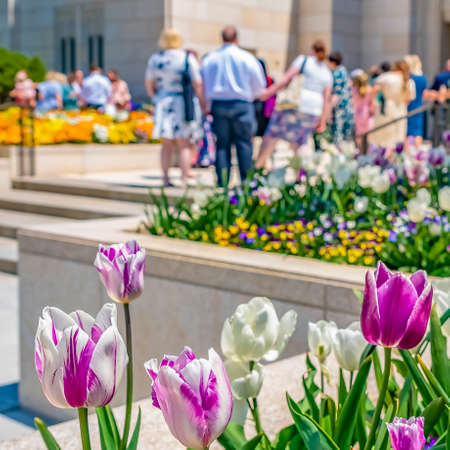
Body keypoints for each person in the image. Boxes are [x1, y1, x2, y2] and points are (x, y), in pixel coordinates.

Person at [201, 25, 265, 186]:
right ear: (237, 38)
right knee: (244, 143)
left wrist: (206, 105)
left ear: (222, 38)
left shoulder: (211, 59)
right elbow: (259, 84)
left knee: (222, 144)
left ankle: (222, 183)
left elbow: (204, 85)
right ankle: (246, 183)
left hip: (219, 105)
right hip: (242, 104)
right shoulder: (246, 57)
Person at [255, 40, 333, 169]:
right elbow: (327, 99)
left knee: (272, 135)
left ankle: (257, 169)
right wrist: (323, 121)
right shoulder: (327, 72)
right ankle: (301, 176)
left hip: (295, 104)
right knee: (301, 142)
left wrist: (268, 92)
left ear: (312, 50)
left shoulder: (303, 61)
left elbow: (286, 79)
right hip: (313, 110)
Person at [145, 29, 204, 187]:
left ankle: (165, 177)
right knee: (184, 143)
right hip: (181, 101)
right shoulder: (186, 57)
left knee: (166, 144)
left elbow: (149, 84)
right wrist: (203, 102)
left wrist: (156, 98)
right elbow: (197, 83)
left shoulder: (155, 59)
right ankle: (185, 176)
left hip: (163, 101)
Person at [371, 60, 415, 148]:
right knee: (397, 137)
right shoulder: (409, 81)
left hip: (387, 108)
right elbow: (408, 101)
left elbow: (374, 89)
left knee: (384, 137)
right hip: (401, 110)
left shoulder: (387, 77)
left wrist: (373, 102)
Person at [328, 51, 354, 144]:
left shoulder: (337, 73)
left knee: (338, 135)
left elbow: (336, 93)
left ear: (332, 62)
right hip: (347, 107)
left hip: (340, 108)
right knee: (346, 136)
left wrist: (328, 109)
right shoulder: (344, 71)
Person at [404, 55, 427, 146]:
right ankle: (418, 154)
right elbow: (423, 94)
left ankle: (407, 156)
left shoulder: (408, 78)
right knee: (417, 133)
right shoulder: (422, 78)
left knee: (406, 133)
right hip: (418, 107)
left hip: (408, 107)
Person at [351, 70, 376, 148]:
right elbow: (372, 103)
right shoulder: (369, 89)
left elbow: (353, 102)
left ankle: (359, 150)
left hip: (357, 113)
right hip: (366, 113)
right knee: (368, 135)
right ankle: (367, 151)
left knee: (359, 134)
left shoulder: (354, 90)